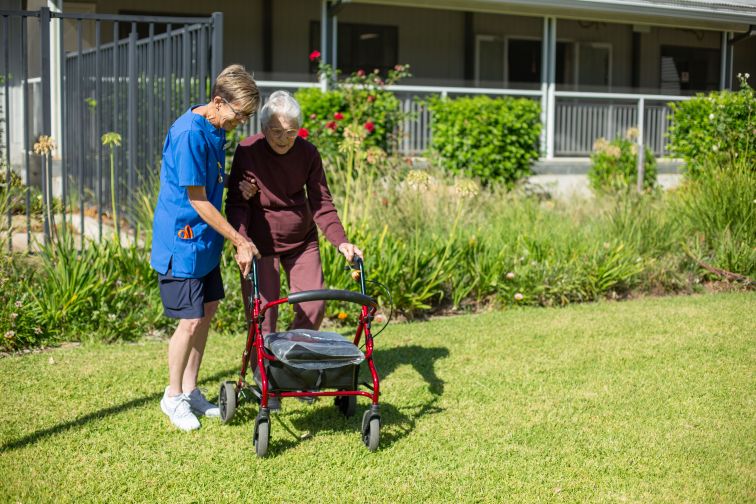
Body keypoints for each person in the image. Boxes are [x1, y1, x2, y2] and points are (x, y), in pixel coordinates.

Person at [150, 64, 261, 431]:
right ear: (218, 102)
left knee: (208, 311)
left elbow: (206, 175)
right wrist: (240, 239)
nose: (241, 122)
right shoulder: (187, 134)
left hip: (204, 242)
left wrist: (232, 182)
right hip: (181, 242)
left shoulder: (214, 127)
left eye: (246, 116)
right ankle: (172, 396)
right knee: (190, 319)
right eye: (239, 114)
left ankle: (191, 390)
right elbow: (197, 200)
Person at [226, 90, 363, 338]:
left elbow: (322, 202)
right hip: (260, 244)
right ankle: (263, 370)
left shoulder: (308, 153)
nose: (284, 139)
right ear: (264, 128)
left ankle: (290, 356)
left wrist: (341, 242)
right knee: (262, 315)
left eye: (291, 132)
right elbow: (237, 203)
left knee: (314, 306)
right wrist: (242, 241)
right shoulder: (248, 151)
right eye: (277, 132)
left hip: (301, 242)